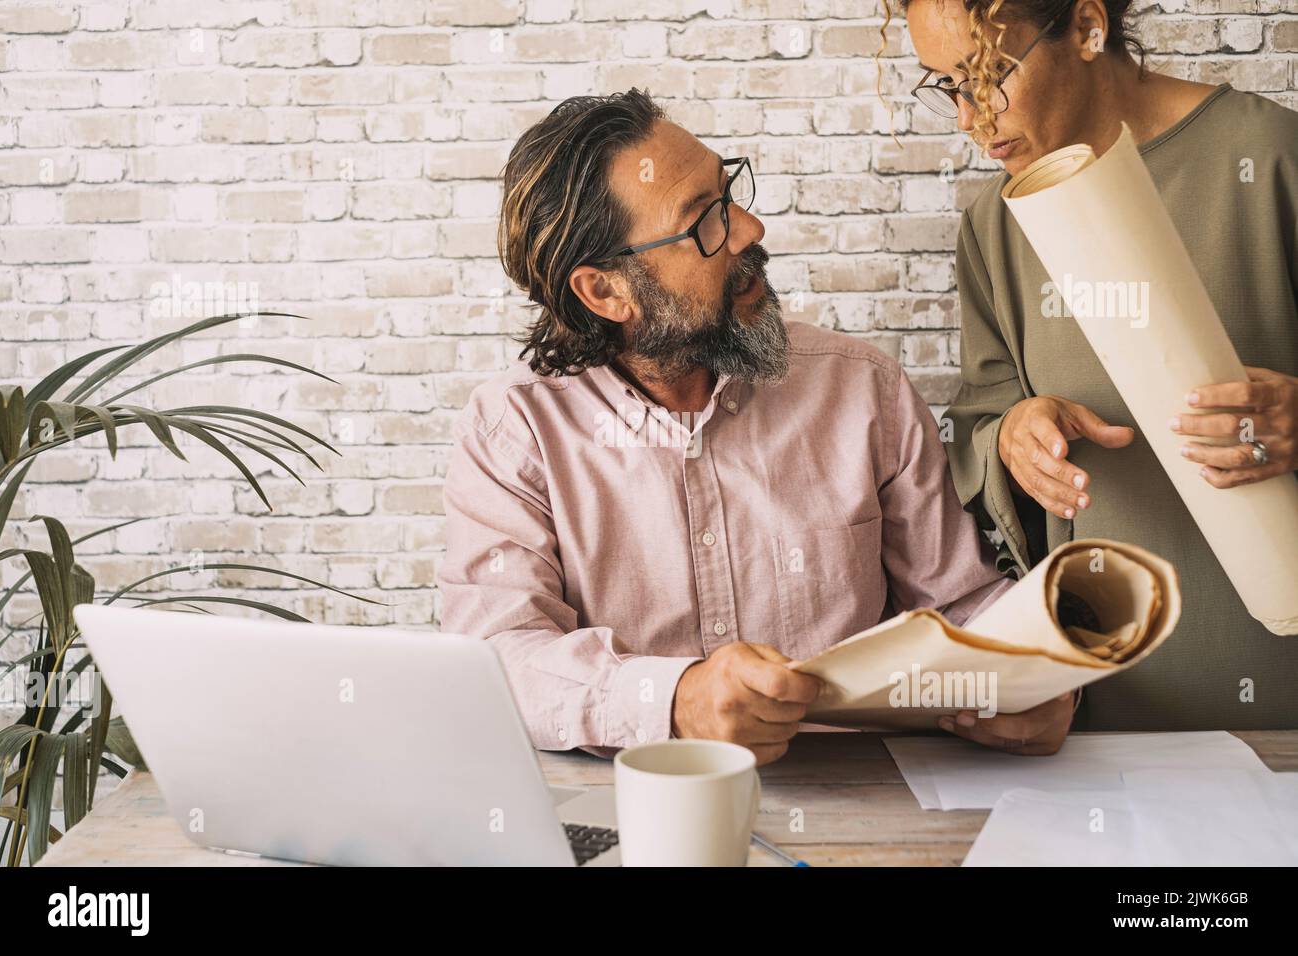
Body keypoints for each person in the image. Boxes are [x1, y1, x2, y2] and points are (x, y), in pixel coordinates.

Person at [436, 89, 1079, 765]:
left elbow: (960, 609)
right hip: (635, 810)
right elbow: (500, 654)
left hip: (861, 807)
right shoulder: (514, 432)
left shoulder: (864, 391)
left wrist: (1035, 679)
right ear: (605, 292)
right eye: (704, 222)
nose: (748, 231)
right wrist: (677, 700)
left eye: (728, 194)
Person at [891, 0, 1298, 728]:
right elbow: (979, 419)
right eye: (948, 84)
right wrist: (1012, 432)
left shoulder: (1268, 156)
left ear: (1086, 27)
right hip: (1093, 712)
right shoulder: (995, 225)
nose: (969, 118)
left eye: (989, 74)